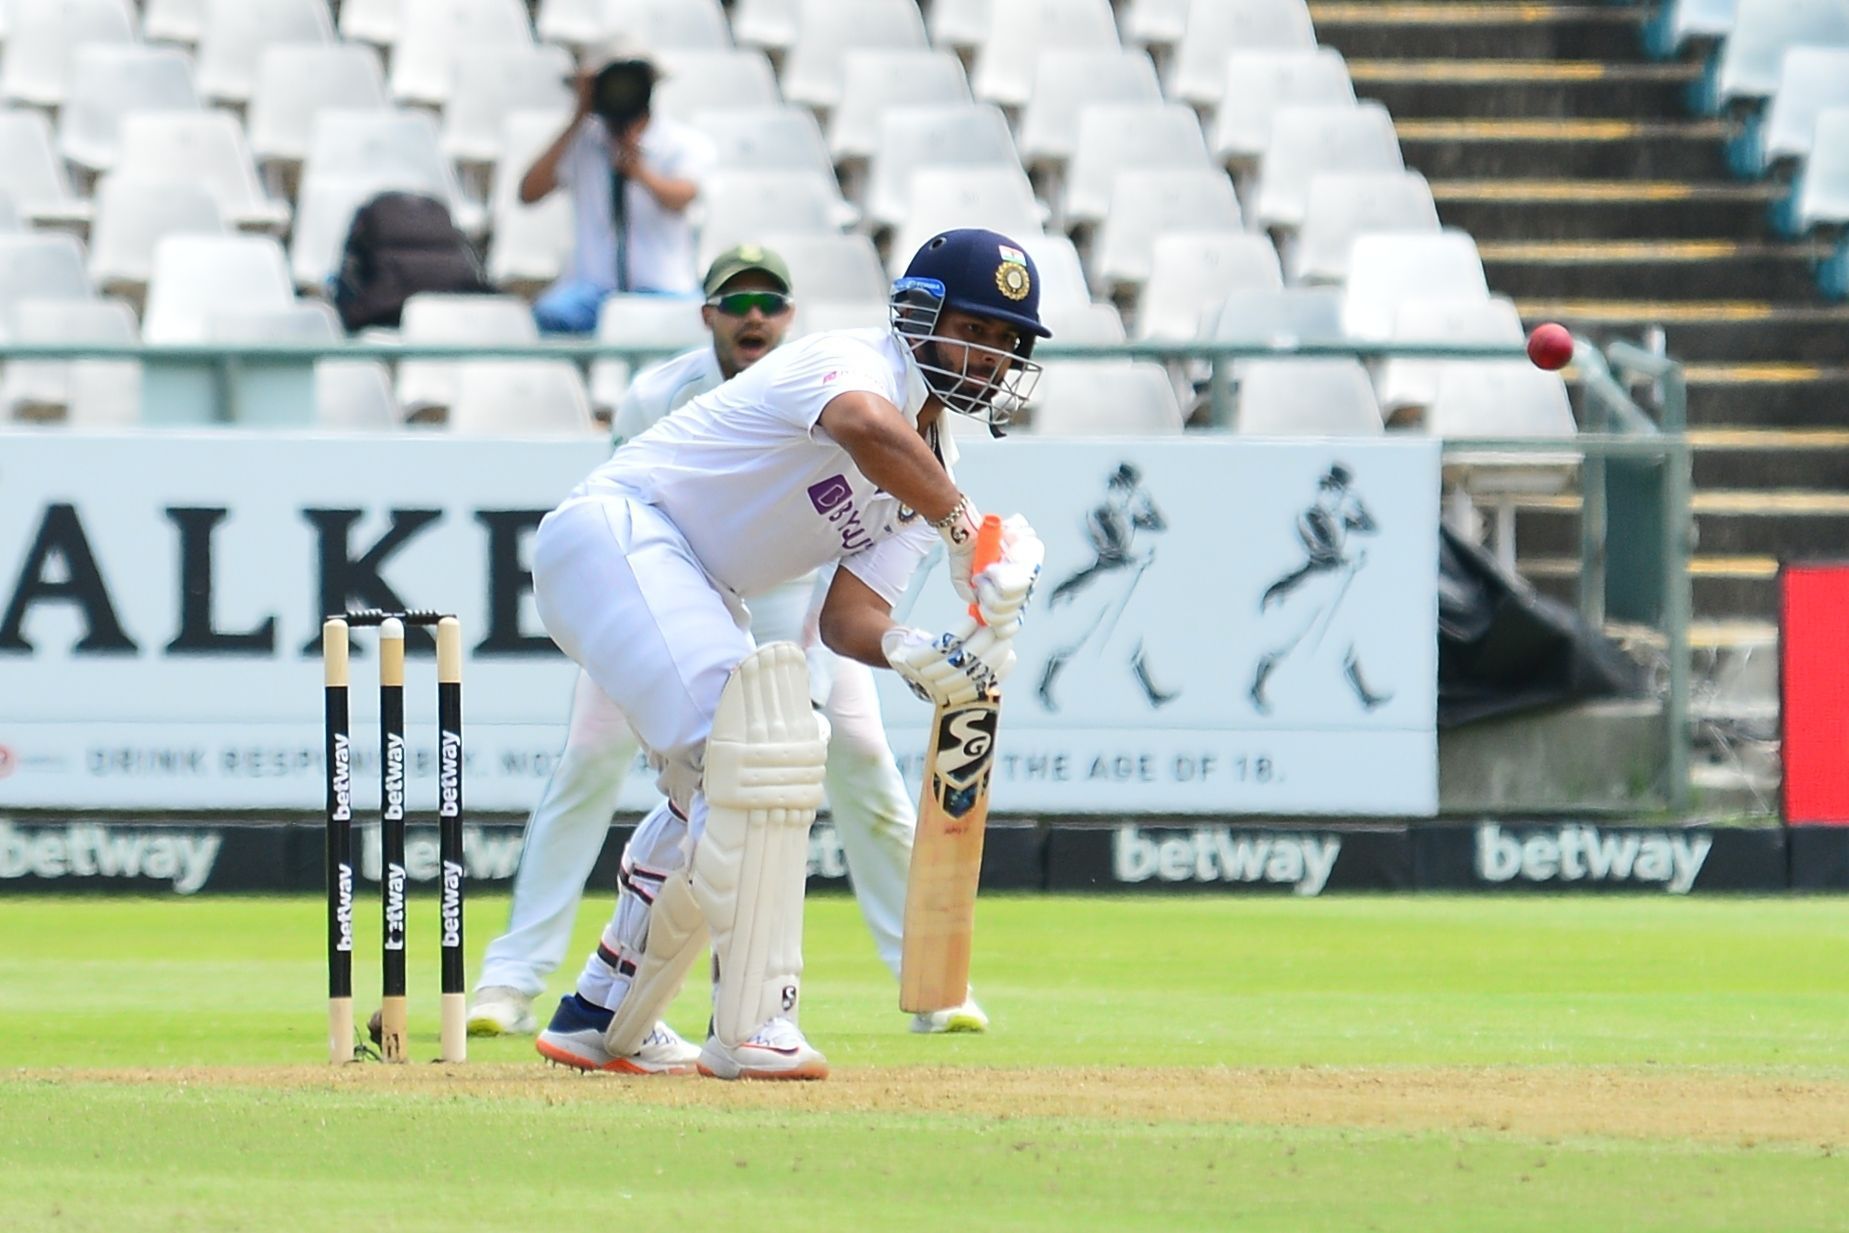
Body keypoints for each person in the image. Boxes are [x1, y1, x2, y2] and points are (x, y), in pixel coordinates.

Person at [526, 228, 1049, 1080]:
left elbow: (849, 619)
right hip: (617, 532)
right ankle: (752, 1026)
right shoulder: (853, 364)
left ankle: (602, 1012)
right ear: (919, 317)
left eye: (1004, 343)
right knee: (752, 753)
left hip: (690, 578)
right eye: (974, 330)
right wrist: (965, 523)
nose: (988, 359)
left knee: (744, 763)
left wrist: (922, 652)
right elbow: (860, 427)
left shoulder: (932, 468)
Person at [517, 37, 715, 332]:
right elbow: (528, 193)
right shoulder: (582, 142)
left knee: (701, 327)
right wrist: (578, 115)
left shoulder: (683, 143)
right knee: (546, 316)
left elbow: (682, 197)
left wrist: (641, 174)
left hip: (664, 290)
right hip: (593, 292)